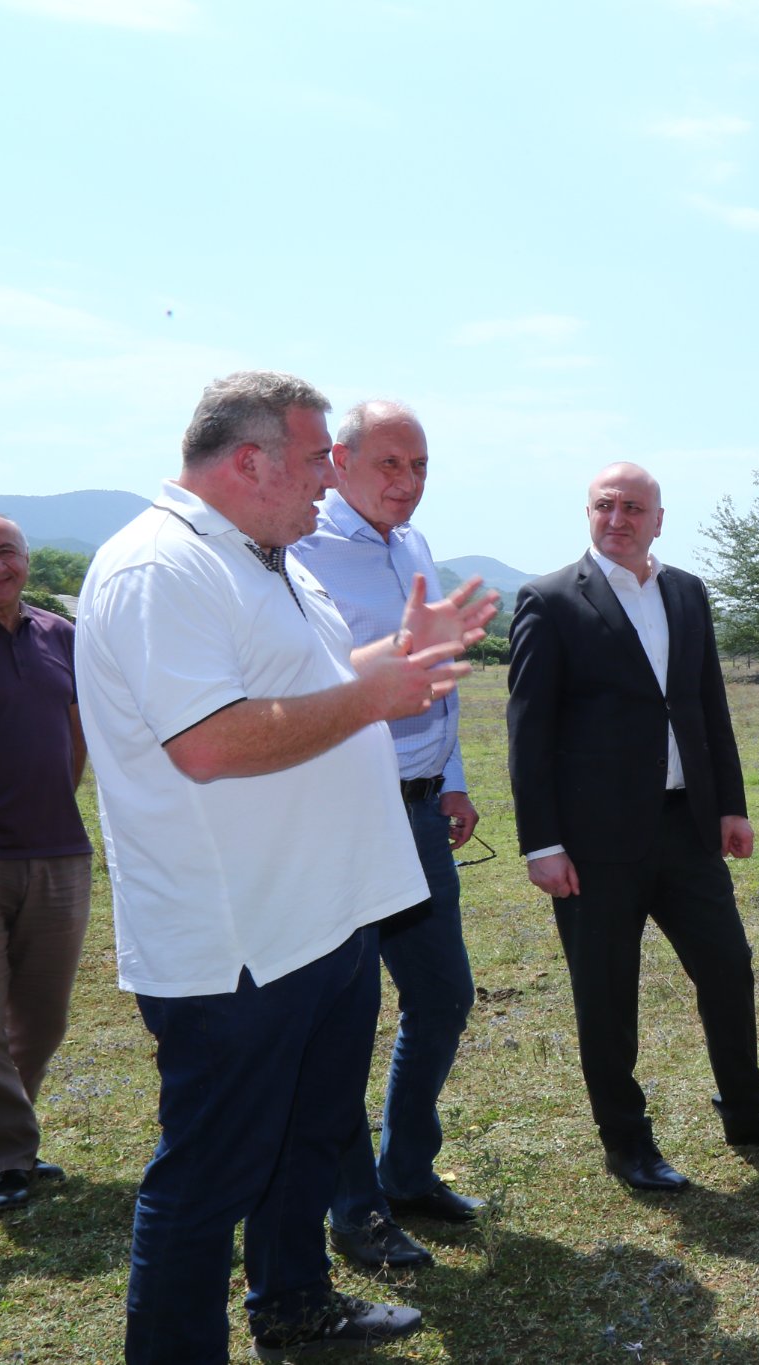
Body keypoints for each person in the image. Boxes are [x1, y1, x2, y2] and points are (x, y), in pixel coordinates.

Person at [76, 370, 494, 1361]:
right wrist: (374, 696)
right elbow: (209, 741)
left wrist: (398, 656)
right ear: (249, 461)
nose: (328, 480)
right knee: (210, 1175)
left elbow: (316, 686)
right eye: (315, 460)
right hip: (238, 942)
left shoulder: (269, 561)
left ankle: (294, 1303)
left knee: (307, 1138)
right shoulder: (160, 567)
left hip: (324, 916)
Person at [509, 462, 759, 1194]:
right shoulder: (549, 600)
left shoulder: (685, 591)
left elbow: (707, 703)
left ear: (659, 519)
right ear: (588, 512)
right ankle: (626, 1142)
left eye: (633, 507)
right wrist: (542, 844)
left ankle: (747, 1111)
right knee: (607, 995)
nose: (618, 518)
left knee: (728, 966)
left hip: (686, 826)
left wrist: (730, 804)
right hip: (594, 845)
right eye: (605, 505)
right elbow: (528, 732)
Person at [292, 401, 489, 1269]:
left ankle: (405, 1169)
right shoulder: (301, 549)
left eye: (420, 466)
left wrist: (451, 777)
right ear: (339, 461)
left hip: (418, 808)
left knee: (443, 994)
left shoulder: (413, 546)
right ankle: (354, 1207)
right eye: (389, 464)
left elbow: (435, 673)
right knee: (344, 1018)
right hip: (343, 808)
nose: (407, 483)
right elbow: (305, 686)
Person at [0, 513, 90, 1212]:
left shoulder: (60, 634)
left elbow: (77, 731)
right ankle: (7, 1153)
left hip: (59, 846)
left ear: (27, 560)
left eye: (6, 550)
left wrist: (56, 796)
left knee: (44, 1013)